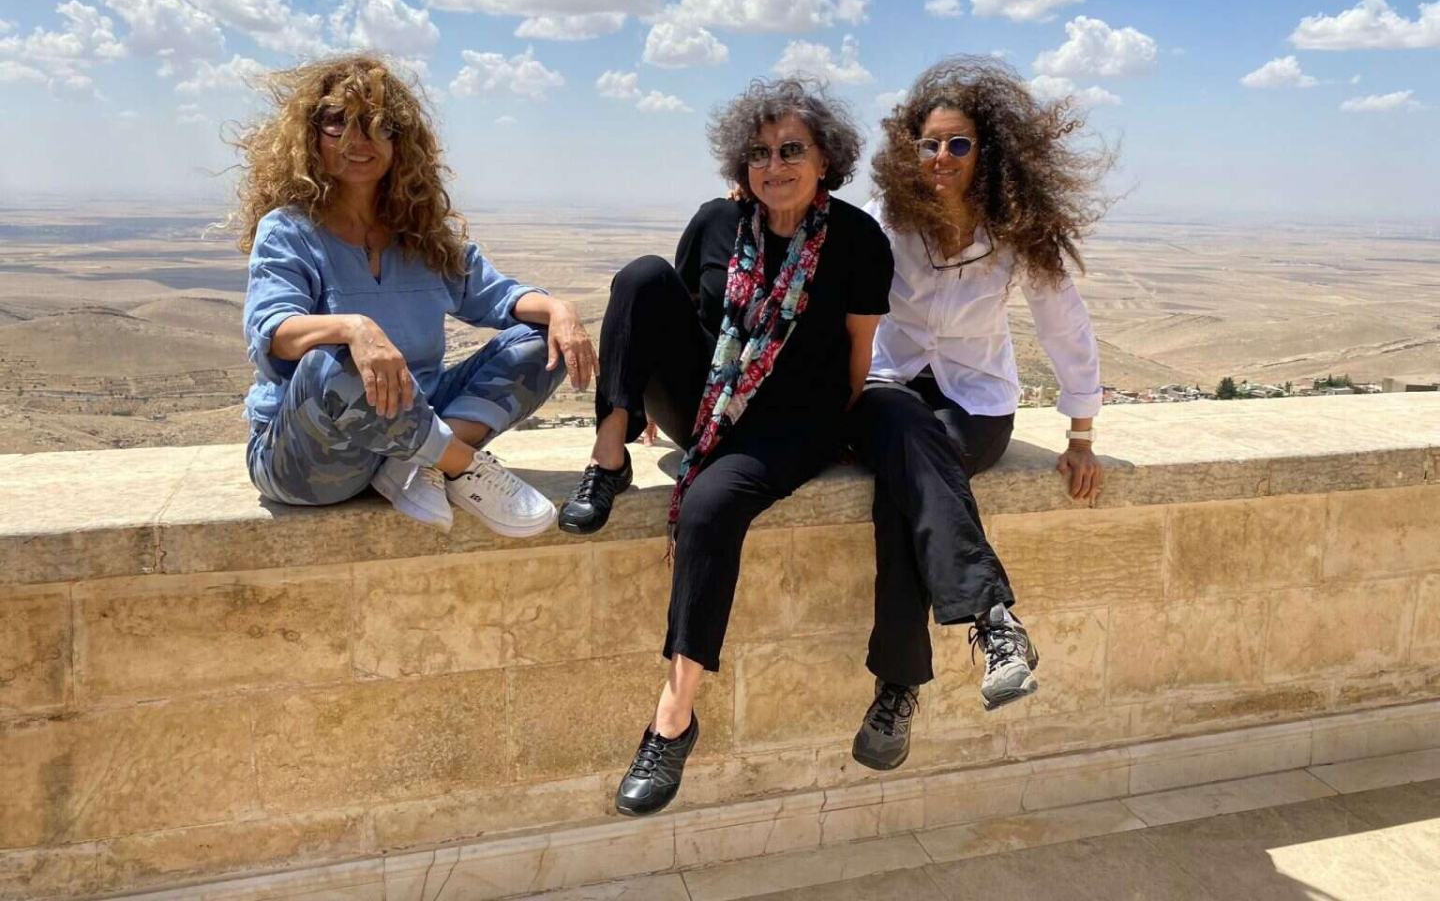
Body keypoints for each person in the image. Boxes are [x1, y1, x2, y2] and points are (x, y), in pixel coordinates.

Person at [558, 79, 893, 816]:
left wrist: (833, 431)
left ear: (827, 159)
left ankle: (672, 718)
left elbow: (857, 356)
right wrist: (654, 404)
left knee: (709, 507)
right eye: (759, 153)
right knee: (639, 275)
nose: (774, 165)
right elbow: (665, 312)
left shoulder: (859, 240)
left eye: (792, 150)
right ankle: (608, 457)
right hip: (711, 407)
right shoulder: (716, 222)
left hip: (792, 423)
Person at [848, 56, 1109, 771]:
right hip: (888, 391)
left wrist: (1081, 433)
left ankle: (898, 688)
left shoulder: (1016, 231)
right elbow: (818, 270)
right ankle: (994, 623)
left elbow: (1066, 326)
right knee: (905, 431)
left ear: (988, 153)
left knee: (905, 488)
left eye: (958, 143)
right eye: (929, 143)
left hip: (975, 403)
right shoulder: (885, 220)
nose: (941, 156)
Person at [236, 54, 596, 536]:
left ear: (400, 140)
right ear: (310, 134)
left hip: (405, 429)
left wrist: (559, 310)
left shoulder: (421, 235)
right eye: (339, 122)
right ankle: (457, 463)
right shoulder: (289, 230)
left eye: (377, 124)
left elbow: (499, 296)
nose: (358, 140)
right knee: (332, 357)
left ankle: (418, 463)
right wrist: (353, 328)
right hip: (311, 456)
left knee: (540, 338)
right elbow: (273, 331)